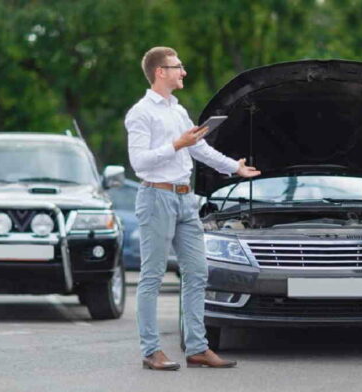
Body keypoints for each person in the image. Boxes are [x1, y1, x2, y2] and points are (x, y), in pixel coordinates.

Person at [125, 46, 260, 371]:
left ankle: (198, 348)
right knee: (153, 276)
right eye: (177, 67)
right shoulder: (140, 112)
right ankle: (150, 351)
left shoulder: (177, 110)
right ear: (160, 72)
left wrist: (234, 167)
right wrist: (176, 144)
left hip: (186, 199)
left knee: (198, 273)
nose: (183, 72)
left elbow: (199, 147)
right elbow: (139, 162)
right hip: (157, 197)